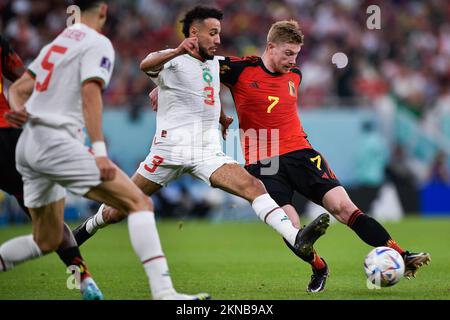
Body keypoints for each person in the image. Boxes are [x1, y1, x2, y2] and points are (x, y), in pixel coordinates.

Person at [72, 6, 331, 292]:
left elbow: (206, 92)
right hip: (168, 152)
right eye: (213, 33)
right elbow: (146, 65)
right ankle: (86, 229)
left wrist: (221, 118)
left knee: (254, 186)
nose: (218, 39)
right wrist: (176, 55)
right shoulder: (172, 59)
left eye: (219, 32)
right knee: (118, 211)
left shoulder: (213, 63)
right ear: (194, 34)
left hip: (207, 152)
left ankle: (296, 239)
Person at [0, 0, 208, 301]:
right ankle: (165, 293)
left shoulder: (54, 45)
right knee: (139, 202)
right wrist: (99, 151)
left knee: (46, 238)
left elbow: (18, 90)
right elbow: (90, 94)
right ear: (103, 11)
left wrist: (22, 113)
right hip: (57, 144)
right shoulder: (96, 43)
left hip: (27, 147)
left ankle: (88, 280)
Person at [216, 20, 431, 292]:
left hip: (302, 153)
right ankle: (319, 267)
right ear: (270, 47)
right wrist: (161, 89)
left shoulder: (296, 75)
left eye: (296, 54)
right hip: (263, 160)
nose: (292, 60)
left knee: (345, 208)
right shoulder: (239, 69)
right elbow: (198, 69)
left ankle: (401, 254)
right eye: (287, 53)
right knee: (290, 225)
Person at [0, 34, 103, 300]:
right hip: (5, 138)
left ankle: (84, 280)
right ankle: (84, 280)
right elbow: (23, 80)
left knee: (50, 228)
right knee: (51, 226)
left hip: (8, 138)